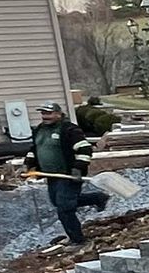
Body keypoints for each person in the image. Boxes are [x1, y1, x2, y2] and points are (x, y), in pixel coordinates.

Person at [25, 102, 108, 245]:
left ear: (58, 114)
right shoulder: (40, 130)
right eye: (43, 114)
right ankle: (98, 198)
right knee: (57, 201)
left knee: (64, 208)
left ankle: (77, 240)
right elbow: (34, 149)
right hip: (52, 176)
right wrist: (29, 165)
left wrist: (78, 168)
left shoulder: (69, 130)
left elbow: (85, 149)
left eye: (49, 114)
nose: (45, 116)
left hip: (68, 175)